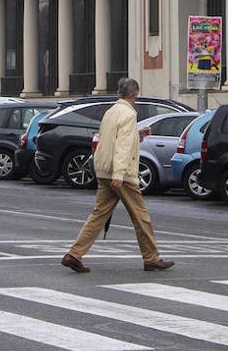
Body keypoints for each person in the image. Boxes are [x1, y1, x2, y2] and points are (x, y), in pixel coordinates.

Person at [61, 77, 174, 274]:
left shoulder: (111, 112)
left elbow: (112, 140)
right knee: (141, 217)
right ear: (135, 94)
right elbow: (122, 146)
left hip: (104, 169)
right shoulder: (129, 114)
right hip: (120, 174)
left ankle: (74, 254)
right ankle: (151, 258)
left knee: (98, 215)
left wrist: (138, 135)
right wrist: (120, 173)